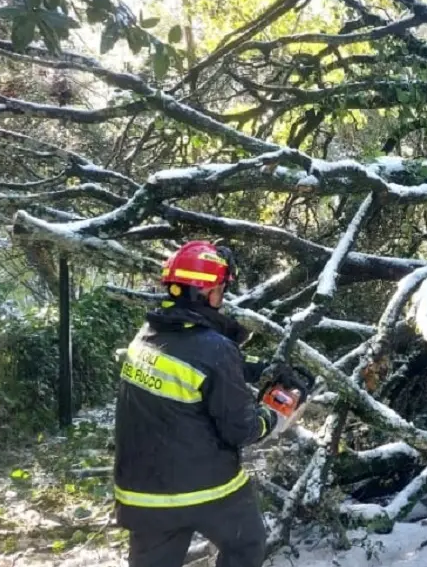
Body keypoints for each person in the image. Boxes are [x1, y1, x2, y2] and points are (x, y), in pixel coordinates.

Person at [113, 240, 307, 567]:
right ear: (203, 293)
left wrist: (253, 368)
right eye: (219, 290)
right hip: (206, 490)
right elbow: (242, 430)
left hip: (140, 493)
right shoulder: (215, 350)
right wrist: (275, 413)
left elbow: (195, 362)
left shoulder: (146, 336)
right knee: (246, 545)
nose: (221, 298)